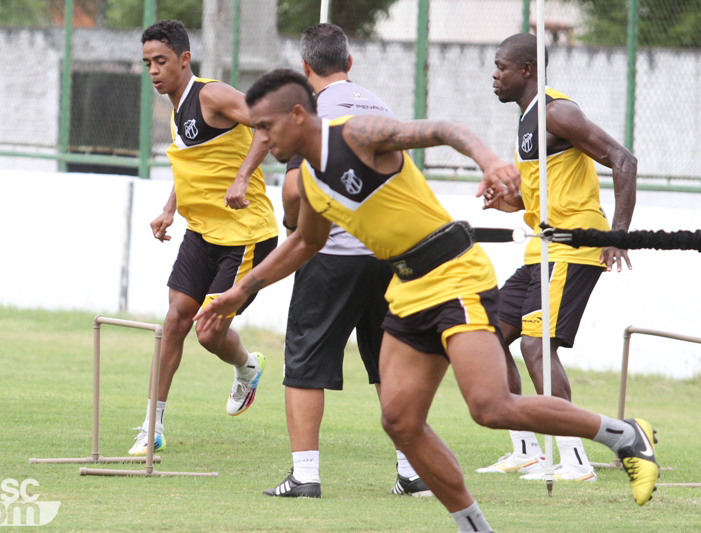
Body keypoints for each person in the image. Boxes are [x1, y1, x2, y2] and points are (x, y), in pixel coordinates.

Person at [196, 69, 658, 529]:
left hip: (455, 274)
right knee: (399, 421)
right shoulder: (309, 183)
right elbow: (303, 245)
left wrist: (489, 161)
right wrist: (238, 292)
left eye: (264, 127)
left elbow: (445, 129)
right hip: (407, 288)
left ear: (298, 115)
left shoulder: (355, 134)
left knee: (490, 407)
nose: (258, 139)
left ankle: (623, 435)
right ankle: (474, 527)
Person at [263, 23, 429, 499]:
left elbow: (295, 187)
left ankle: (305, 476)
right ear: (350, 63)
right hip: (387, 255)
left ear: (305, 68)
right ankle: (410, 471)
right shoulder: (382, 106)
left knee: (305, 361)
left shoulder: (310, 111)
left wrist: (293, 222)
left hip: (331, 252)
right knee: (388, 363)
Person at [477, 32, 638, 482]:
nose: (495, 74)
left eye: (501, 66)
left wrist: (617, 234)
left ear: (526, 70)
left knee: (536, 345)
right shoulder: (527, 120)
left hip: (572, 247)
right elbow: (540, 194)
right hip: (539, 248)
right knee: (489, 336)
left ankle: (576, 461)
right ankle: (526, 450)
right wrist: (506, 202)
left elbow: (624, 160)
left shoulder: (556, 111)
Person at [128, 20, 279, 455]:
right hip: (202, 231)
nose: (153, 70)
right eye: (147, 64)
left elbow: (266, 123)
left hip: (246, 234)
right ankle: (151, 427)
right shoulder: (175, 108)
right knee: (175, 318)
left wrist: (243, 176)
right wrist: (170, 207)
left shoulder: (210, 95)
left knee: (208, 332)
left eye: (160, 61)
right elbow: (194, 163)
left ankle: (248, 368)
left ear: (184, 59)